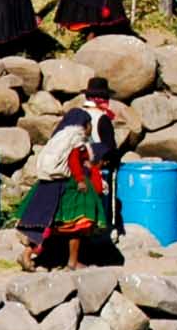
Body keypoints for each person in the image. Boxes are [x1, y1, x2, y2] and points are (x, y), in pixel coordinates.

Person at [23, 77, 122, 267]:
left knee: (50, 219)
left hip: (55, 177)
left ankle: (39, 254)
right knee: (79, 222)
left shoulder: (72, 116)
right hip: (79, 179)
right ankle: (74, 260)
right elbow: (108, 148)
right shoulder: (100, 120)